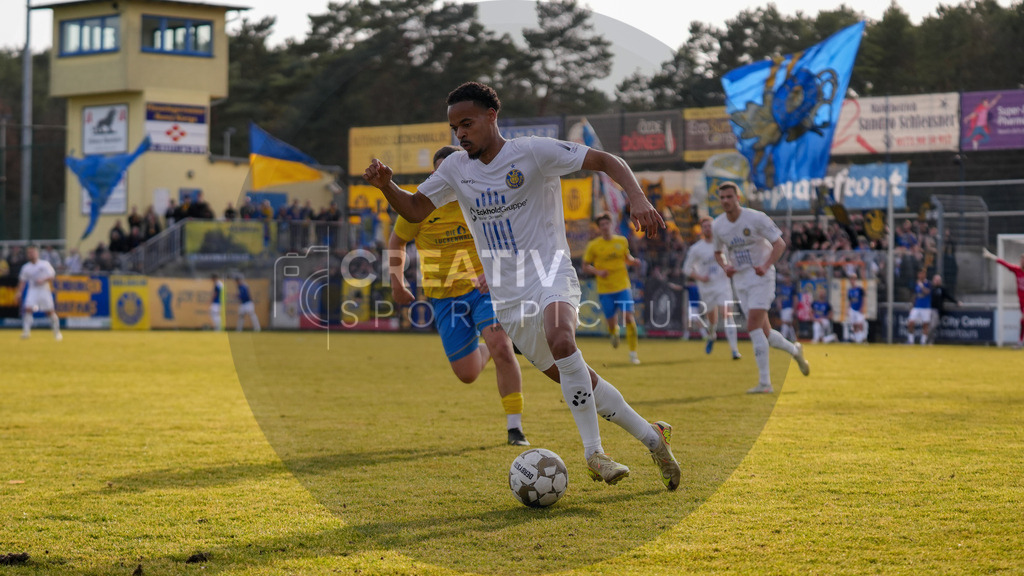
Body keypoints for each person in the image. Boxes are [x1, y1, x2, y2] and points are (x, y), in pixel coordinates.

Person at [363, 81, 680, 491]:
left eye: (467, 123)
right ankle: (653, 438)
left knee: (563, 340)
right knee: (576, 377)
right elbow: (414, 208)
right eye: (454, 127)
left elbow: (607, 160)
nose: (460, 134)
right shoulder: (455, 169)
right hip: (507, 296)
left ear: (491, 117)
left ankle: (593, 453)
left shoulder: (532, 151)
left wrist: (638, 199)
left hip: (549, 270)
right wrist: (387, 185)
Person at [387, 145, 529, 446]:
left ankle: (515, 428)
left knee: (502, 346)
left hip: (483, 291)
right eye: (440, 172)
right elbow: (397, 240)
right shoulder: (418, 206)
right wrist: (397, 283)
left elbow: (510, 239)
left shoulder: (479, 201)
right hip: (443, 297)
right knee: (467, 374)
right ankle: (490, 345)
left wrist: (494, 273)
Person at [711, 182, 810, 394]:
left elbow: (779, 243)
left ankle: (765, 383)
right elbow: (718, 252)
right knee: (764, 333)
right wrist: (725, 265)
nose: (726, 201)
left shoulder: (756, 218)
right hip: (740, 280)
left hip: (761, 277)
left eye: (730, 196)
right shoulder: (718, 225)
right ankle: (795, 351)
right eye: (722, 197)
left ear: (739, 197)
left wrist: (766, 265)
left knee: (753, 325)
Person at [582, 212, 642, 365]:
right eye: (602, 225)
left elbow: (626, 258)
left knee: (629, 317)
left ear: (611, 225)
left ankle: (633, 354)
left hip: (622, 286)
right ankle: (613, 333)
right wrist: (597, 272)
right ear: (599, 228)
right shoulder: (594, 245)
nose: (605, 227)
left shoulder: (622, 241)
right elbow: (585, 266)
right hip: (605, 290)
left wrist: (634, 262)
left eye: (607, 224)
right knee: (611, 322)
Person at [683, 215, 741, 359]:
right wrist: (701, 277)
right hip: (706, 288)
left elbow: (732, 260)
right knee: (712, 321)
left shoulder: (723, 244)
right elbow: (686, 269)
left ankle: (734, 350)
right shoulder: (696, 249)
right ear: (701, 229)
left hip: (723, 285)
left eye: (710, 226)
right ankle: (712, 335)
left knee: (727, 315)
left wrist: (730, 268)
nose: (708, 228)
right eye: (705, 226)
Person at [16, 245, 62, 341]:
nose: (31, 254)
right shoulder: (26, 267)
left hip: (44, 290)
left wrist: (43, 280)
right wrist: (19, 292)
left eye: (32, 252)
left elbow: (52, 275)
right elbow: (22, 281)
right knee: (28, 309)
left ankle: (57, 333)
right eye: (29, 253)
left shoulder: (44, 264)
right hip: (33, 290)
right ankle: (26, 332)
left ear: (37, 253)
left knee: (50, 312)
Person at [983, 248, 1024, 349]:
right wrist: (991, 256)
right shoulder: (1017, 270)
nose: (1021, 262)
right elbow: (1004, 263)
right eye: (1021, 260)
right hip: (1021, 302)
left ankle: (1020, 342)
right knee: (1022, 322)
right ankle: (1020, 342)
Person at [925, 274, 961, 345]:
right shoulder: (930, 288)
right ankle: (924, 340)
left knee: (933, 326)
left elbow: (948, 296)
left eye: (938, 280)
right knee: (926, 325)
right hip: (927, 309)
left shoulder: (941, 289)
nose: (937, 281)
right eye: (936, 280)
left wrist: (956, 302)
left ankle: (928, 340)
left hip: (936, 310)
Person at [905, 268, 931, 345]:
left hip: (925, 307)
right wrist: (912, 305)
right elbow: (915, 295)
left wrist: (921, 285)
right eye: (919, 274)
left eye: (922, 274)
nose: (921, 275)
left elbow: (927, 292)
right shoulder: (916, 283)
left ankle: (923, 342)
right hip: (917, 307)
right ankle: (911, 341)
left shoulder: (928, 283)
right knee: (910, 323)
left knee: (925, 325)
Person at [844, 272, 869, 343]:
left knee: (860, 324)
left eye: (853, 279)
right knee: (854, 325)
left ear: (855, 280)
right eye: (850, 279)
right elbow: (850, 301)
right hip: (852, 309)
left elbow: (864, 298)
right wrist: (847, 309)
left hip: (859, 309)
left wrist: (862, 307)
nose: (852, 281)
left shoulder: (860, 289)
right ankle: (857, 339)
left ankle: (862, 338)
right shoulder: (850, 290)